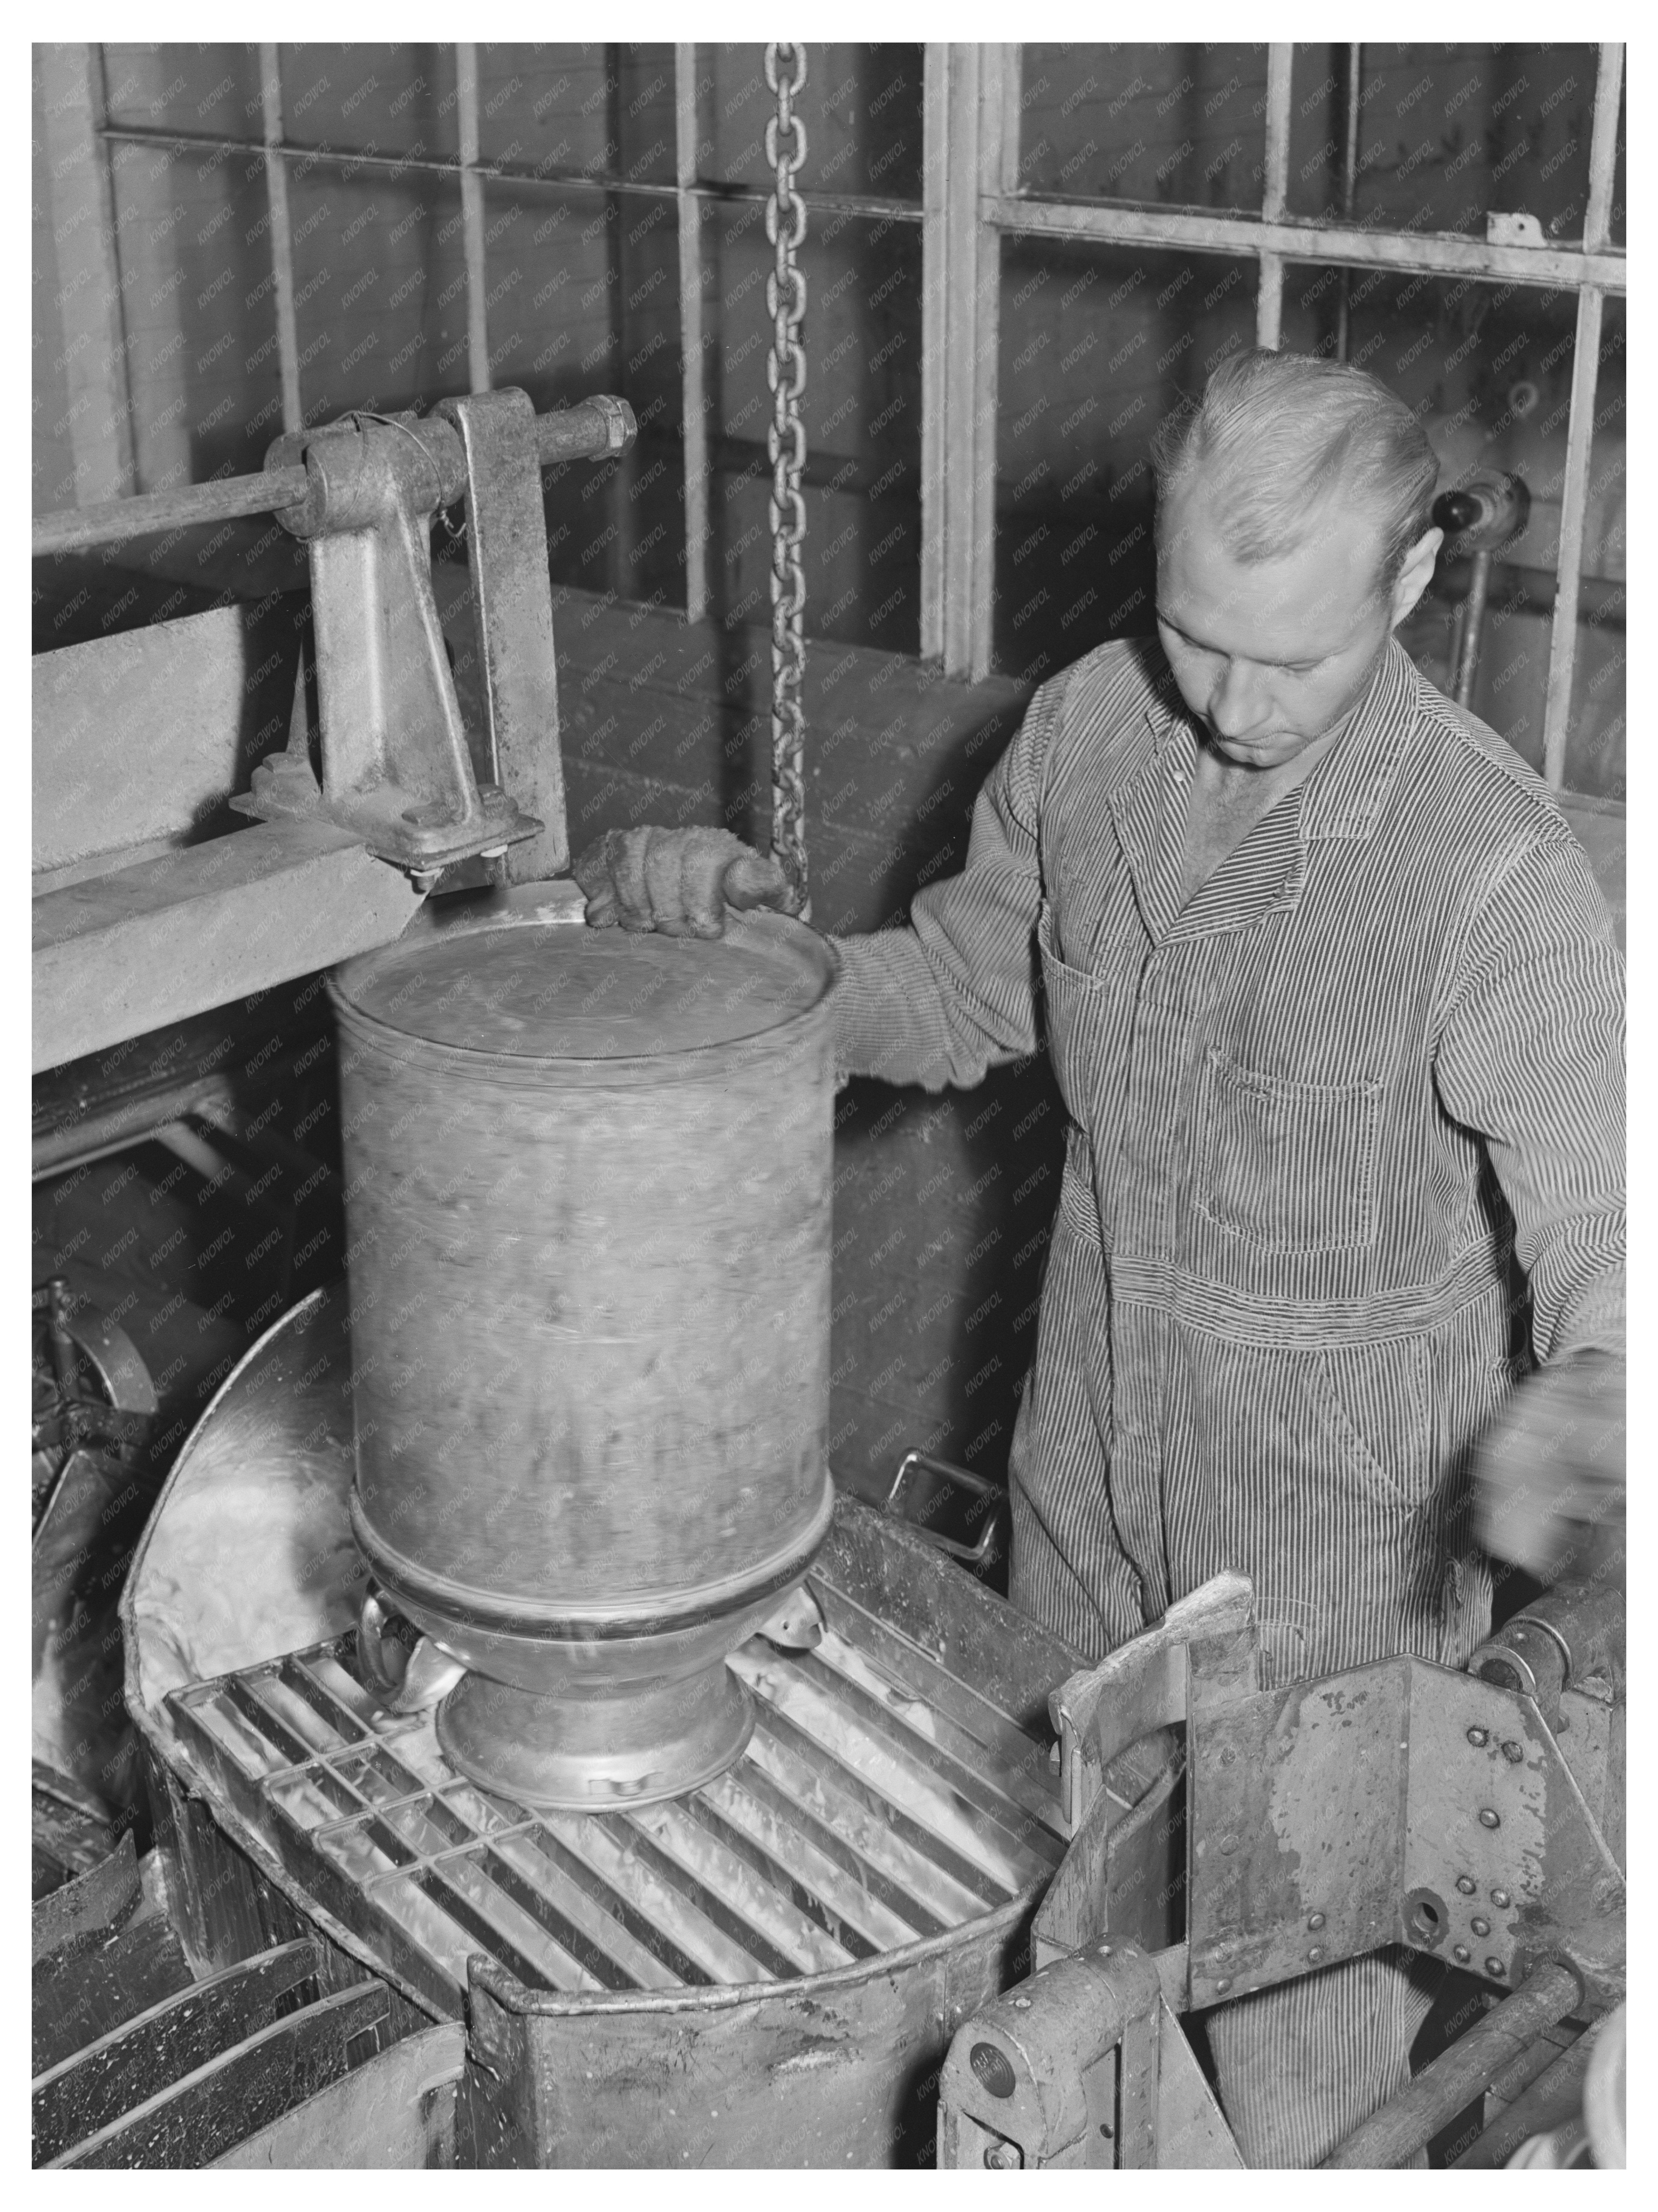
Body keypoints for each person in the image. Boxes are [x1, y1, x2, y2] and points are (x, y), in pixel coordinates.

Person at [572, 348, 1626, 2166]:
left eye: (1287, 657)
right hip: (1082, 1466)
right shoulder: (1084, 733)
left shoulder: (1489, 867)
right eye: (1189, 631)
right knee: (1056, 1950)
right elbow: (959, 992)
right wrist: (774, 969)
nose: (1226, 699)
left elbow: (1613, 1213)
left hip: (1344, 1548)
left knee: (1309, 2073)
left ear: (1414, 578)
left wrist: (1603, 1397)